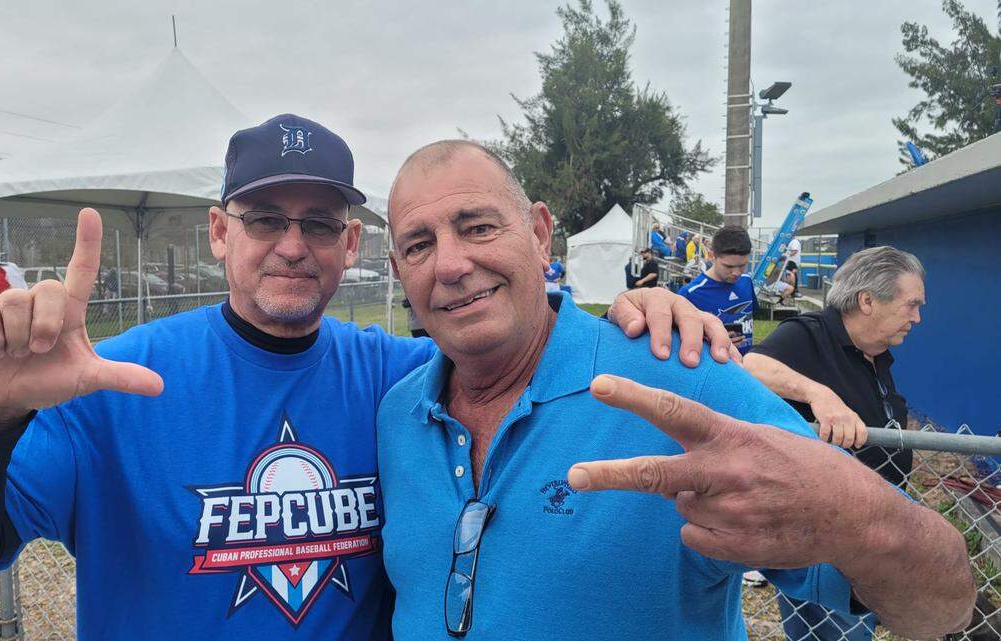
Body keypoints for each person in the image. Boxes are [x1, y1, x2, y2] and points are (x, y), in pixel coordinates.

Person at [0, 115, 733, 640]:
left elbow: (529, 350)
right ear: (221, 231)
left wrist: (658, 324)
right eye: (264, 219)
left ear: (351, 244)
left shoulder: (406, 380)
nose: (293, 244)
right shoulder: (115, 381)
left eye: (321, 222)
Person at [379, 139, 973, 640]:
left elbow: (942, 605)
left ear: (539, 234)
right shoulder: (396, 411)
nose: (451, 264)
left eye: (477, 227)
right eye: (418, 245)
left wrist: (851, 506)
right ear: (399, 268)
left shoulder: (681, 377)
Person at [743, 247, 929, 641]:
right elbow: (752, 367)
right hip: (824, 531)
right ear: (867, 301)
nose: (917, 317)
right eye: (910, 305)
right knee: (839, 629)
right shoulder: (812, 332)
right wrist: (818, 394)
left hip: (870, 524)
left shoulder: (874, 352)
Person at [681, 225, 759, 352]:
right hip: (715, 368)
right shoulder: (690, 294)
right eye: (729, 266)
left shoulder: (746, 281)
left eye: (742, 265)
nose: (736, 273)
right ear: (711, 256)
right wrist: (712, 340)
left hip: (744, 367)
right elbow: (680, 342)